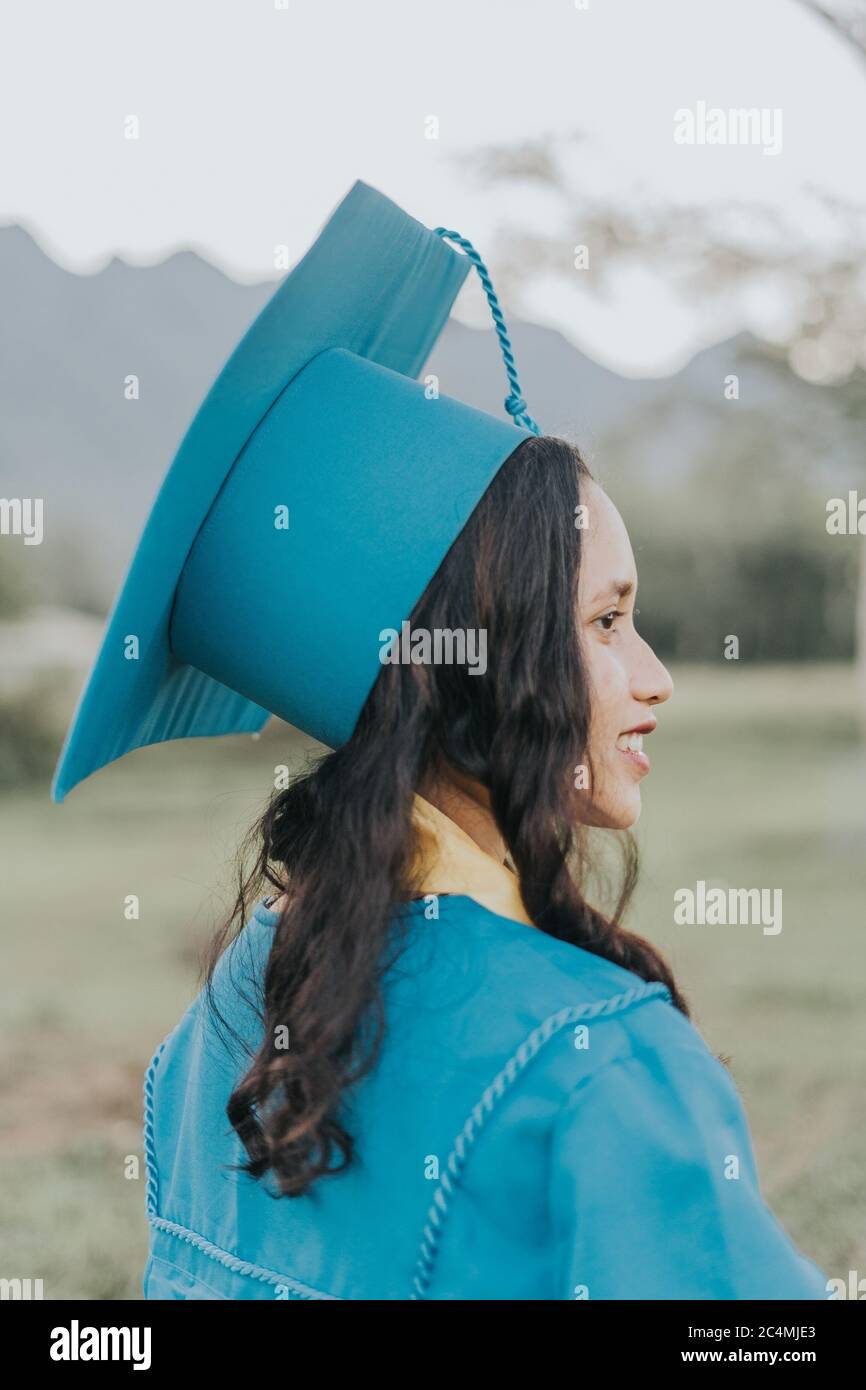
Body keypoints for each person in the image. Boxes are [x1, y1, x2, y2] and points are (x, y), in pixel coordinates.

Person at [52, 180, 830, 1300]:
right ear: (476, 676)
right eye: (606, 621)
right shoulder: (598, 1073)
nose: (652, 676)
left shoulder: (220, 1026)